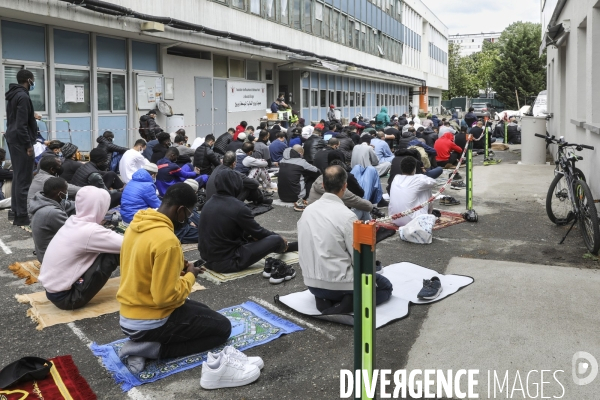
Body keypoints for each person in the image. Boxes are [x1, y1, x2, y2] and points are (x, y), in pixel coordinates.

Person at [117, 183, 232, 375]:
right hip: (149, 322)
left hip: (129, 316)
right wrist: (191, 275)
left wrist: (178, 267)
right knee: (222, 328)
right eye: (188, 213)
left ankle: (145, 343)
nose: (188, 219)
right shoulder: (167, 240)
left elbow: (145, 267)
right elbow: (165, 297)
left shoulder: (137, 225)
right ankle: (151, 350)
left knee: (203, 311)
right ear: (180, 210)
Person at [298, 165, 393, 314]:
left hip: (312, 283)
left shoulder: (308, 211)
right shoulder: (347, 216)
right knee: (385, 286)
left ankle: (324, 299)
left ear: (323, 185)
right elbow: (359, 258)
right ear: (345, 186)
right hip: (340, 284)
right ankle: (350, 302)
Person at [39, 186, 122, 310]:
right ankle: (141, 287)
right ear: (100, 207)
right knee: (115, 253)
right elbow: (128, 244)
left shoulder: (73, 221)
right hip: (68, 298)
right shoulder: (90, 231)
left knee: (108, 248)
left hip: (53, 292)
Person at [198, 168, 290, 274]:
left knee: (252, 236)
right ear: (236, 184)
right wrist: (280, 238)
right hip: (228, 263)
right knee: (276, 240)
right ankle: (284, 246)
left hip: (207, 260)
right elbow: (258, 232)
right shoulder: (238, 207)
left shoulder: (208, 204)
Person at [5, 69, 38, 226]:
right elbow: (22, 124)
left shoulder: (12, 95)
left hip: (12, 139)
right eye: (33, 80)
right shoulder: (23, 96)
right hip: (21, 141)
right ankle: (23, 215)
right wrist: (28, 145)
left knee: (18, 177)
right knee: (24, 179)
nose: (33, 82)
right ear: (29, 80)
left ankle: (16, 212)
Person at [29, 177, 75, 263]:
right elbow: (74, 234)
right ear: (59, 193)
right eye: (66, 190)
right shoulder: (52, 213)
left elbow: (71, 204)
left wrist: (84, 202)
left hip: (45, 253)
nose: (67, 193)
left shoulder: (45, 200)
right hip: (50, 259)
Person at [205, 151, 270, 205]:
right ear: (233, 163)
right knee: (249, 185)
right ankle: (261, 200)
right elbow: (255, 183)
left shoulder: (217, 168)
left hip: (210, 202)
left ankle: (259, 199)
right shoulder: (231, 173)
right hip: (224, 205)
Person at [388, 157, 437, 227]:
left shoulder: (396, 177)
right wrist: (421, 176)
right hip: (412, 221)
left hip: (395, 219)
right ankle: (428, 214)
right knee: (427, 188)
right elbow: (434, 183)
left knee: (422, 187)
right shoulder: (419, 179)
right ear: (415, 168)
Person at [278, 146, 321, 211]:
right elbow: (317, 172)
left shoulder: (282, 161)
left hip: (282, 196)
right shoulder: (301, 162)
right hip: (296, 197)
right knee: (312, 177)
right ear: (300, 153)